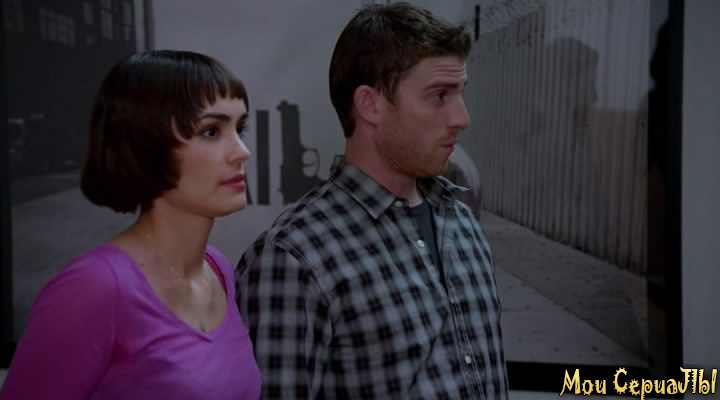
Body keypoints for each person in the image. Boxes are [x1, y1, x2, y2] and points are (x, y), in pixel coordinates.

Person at [235, 3, 509, 399]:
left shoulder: (462, 225)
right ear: (370, 105)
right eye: (439, 96)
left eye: (459, 93)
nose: (461, 118)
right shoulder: (295, 258)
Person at [0, 50, 261, 399]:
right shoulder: (94, 287)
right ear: (146, 145)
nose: (242, 151)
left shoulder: (218, 269)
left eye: (239, 128)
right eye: (211, 131)